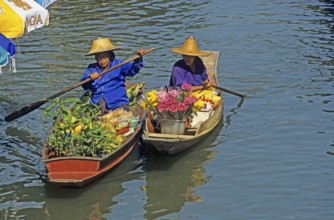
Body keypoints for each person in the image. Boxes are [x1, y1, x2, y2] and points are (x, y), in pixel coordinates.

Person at [81, 37, 148, 114]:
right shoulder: (91, 68)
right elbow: (84, 85)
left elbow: (132, 70)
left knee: (120, 116)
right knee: (98, 118)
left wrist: (138, 58)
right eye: (99, 56)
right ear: (95, 57)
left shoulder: (119, 64)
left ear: (110, 55)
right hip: (98, 103)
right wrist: (90, 77)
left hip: (117, 101)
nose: (102, 59)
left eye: (104, 55)